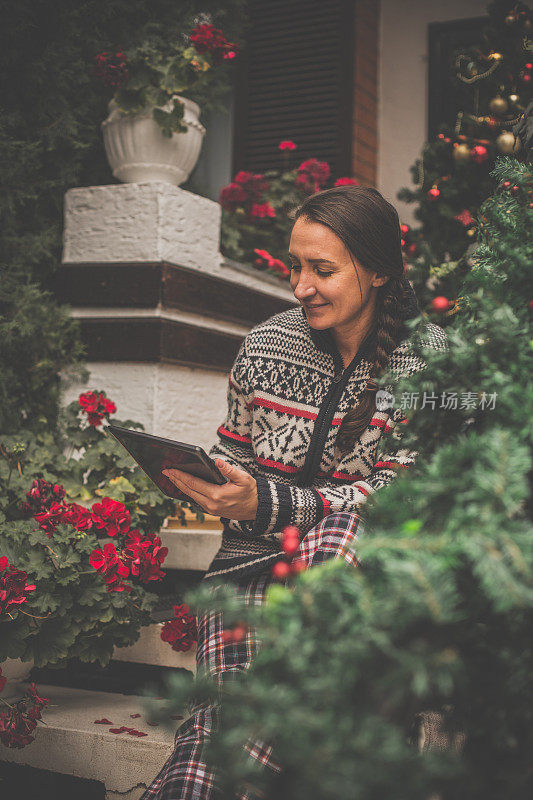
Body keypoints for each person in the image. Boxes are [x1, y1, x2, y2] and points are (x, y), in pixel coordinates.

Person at [141, 185, 447, 799]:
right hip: (255, 568)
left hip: (368, 581)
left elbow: (402, 492)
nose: (301, 285)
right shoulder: (264, 345)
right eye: (295, 266)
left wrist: (275, 505)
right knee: (217, 725)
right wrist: (214, 481)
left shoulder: (431, 361)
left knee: (344, 534)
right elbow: (236, 453)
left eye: (322, 269)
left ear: (380, 271)